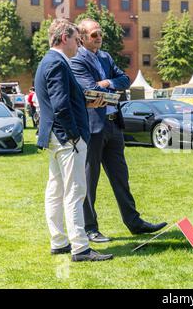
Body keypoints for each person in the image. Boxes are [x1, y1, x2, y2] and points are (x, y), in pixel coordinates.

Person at [70, 18, 167, 243]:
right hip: (93, 129)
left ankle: (134, 223)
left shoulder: (106, 57)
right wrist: (105, 84)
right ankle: (90, 228)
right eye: (94, 34)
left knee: (121, 178)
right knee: (89, 180)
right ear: (82, 38)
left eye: (100, 33)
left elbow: (125, 79)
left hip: (113, 125)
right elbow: (89, 89)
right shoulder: (77, 60)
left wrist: (107, 83)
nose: (99, 37)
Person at [34, 18, 112, 262]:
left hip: (55, 138)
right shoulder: (57, 63)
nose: (79, 45)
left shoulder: (48, 61)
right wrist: (75, 136)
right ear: (64, 38)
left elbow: (63, 99)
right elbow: (60, 106)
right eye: (77, 40)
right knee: (75, 192)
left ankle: (59, 242)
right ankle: (81, 247)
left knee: (56, 190)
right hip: (67, 139)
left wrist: (87, 102)